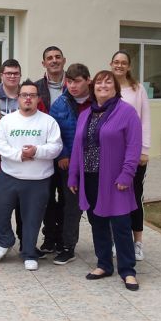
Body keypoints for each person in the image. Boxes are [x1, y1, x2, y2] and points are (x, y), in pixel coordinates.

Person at [68, 70, 142, 291]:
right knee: (96, 222)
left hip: (115, 179)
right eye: (99, 82)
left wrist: (127, 174)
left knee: (120, 224)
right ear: (93, 88)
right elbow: (77, 148)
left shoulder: (127, 112)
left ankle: (128, 271)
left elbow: (134, 146)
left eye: (108, 82)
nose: (103, 85)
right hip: (90, 177)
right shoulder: (86, 114)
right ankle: (104, 264)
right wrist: (73, 174)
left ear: (115, 88)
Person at [0, 80, 62, 271]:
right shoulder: (7, 121)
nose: (28, 98)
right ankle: (5, 241)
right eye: (24, 95)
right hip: (9, 175)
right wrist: (20, 155)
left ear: (38, 99)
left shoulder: (48, 121)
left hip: (38, 179)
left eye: (32, 95)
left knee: (32, 218)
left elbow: (56, 147)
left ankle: (29, 252)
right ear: (18, 98)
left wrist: (36, 151)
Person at [49, 64, 92, 265]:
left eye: (77, 81)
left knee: (96, 204)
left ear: (88, 81)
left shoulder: (98, 101)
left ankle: (107, 242)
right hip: (68, 164)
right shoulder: (60, 103)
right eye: (69, 81)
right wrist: (62, 155)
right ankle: (67, 246)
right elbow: (54, 132)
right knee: (70, 205)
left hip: (94, 162)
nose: (72, 86)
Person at [111, 50, 150, 261]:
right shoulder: (106, 87)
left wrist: (144, 150)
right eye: (116, 62)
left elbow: (146, 120)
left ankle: (137, 243)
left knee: (134, 197)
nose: (119, 65)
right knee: (113, 198)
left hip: (133, 154)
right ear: (111, 64)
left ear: (129, 66)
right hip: (111, 155)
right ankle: (117, 240)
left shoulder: (138, 89)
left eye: (123, 62)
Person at [0, 59, 24, 248]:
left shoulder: (27, 97)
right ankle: (1, 239)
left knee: (23, 205)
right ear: (1, 75)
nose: (12, 76)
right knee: (0, 205)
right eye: (8, 73)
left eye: (15, 73)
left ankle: (26, 241)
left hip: (25, 162)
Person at [35, 46, 67, 253]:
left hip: (68, 154)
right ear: (43, 63)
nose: (54, 61)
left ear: (64, 60)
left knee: (66, 197)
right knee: (46, 197)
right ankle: (49, 237)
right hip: (44, 153)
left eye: (57, 57)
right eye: (49, 58)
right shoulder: (36, 88)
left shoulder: (74, 85)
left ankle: (64, 237)